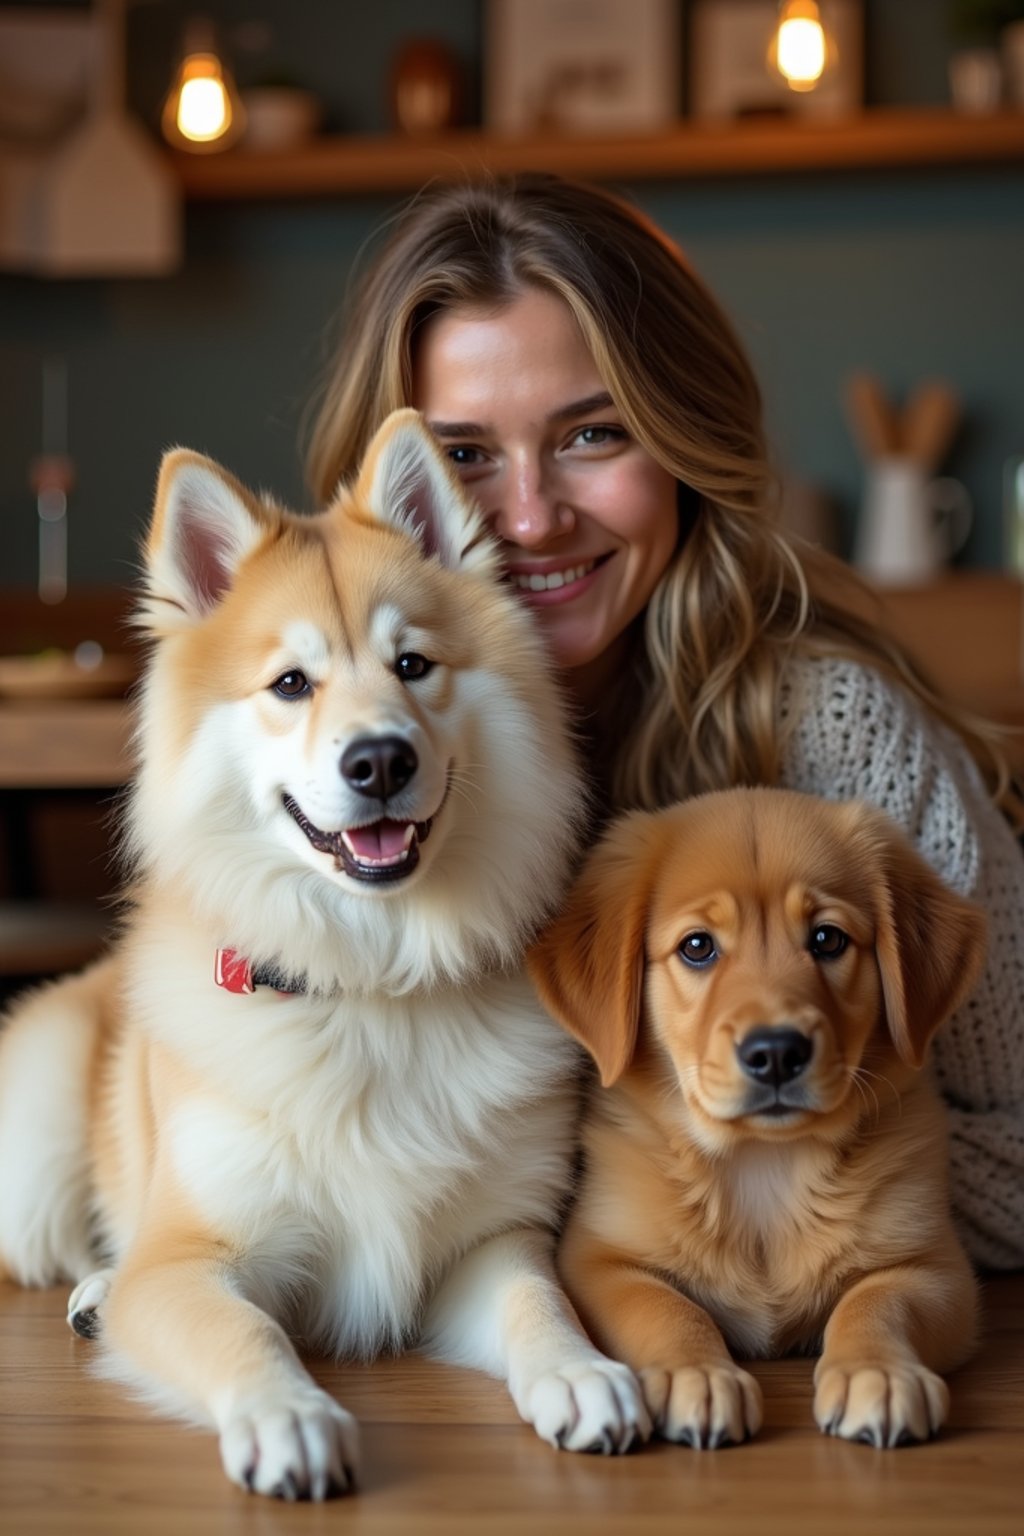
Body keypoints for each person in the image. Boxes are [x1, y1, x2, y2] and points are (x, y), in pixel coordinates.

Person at [305, 173, 1024, 1271]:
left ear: (685, 444)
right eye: (463, 457)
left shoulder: (833, 730)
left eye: (593, 435)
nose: (533, 518)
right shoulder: (328, 765)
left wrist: (669, 1212)